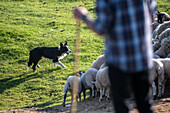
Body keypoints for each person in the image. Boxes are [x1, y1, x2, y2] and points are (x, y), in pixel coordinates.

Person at [74, 0, 157, 113]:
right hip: (142, 56)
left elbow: (100, 28)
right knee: (145, 105)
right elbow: (152, 17)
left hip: (119, 59)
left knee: (122, 106)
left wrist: (83, 16)